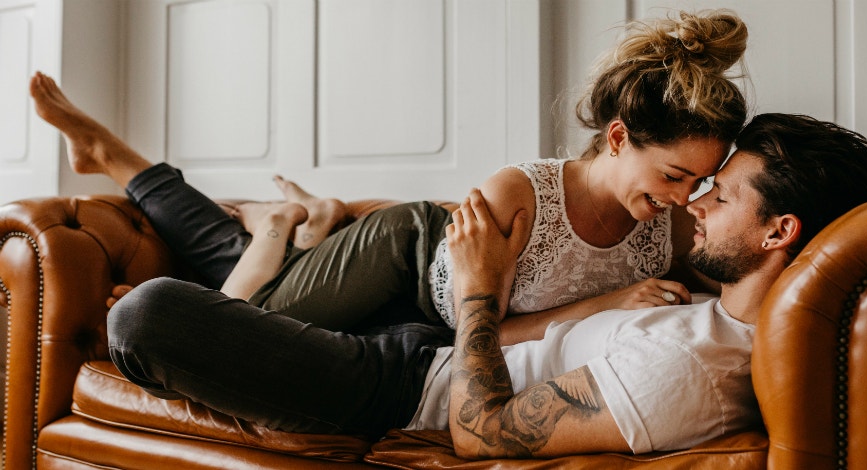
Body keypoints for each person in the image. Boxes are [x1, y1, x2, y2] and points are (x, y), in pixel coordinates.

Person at [106, 113, 867, 457]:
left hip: (401, 387)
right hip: (424, 332)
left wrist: (481, 289)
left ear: (778, 233)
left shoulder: (689, 372)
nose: (696, 204)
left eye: (721, 196)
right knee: (224, 270)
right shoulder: (706, 307)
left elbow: (481, 433)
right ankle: (145, 176)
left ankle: (269, 224)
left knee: (148, 314)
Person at [30, 9, 750, 344]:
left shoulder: (674, 230)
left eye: (699, 182)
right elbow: (486, 336)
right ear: (618, 137)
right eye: (672, 175)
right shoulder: (521, 195)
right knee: (251, 325)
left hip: (409, 313)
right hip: (399, 250)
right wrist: (612, 301)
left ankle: (138, 168)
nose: (683, 199)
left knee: (230, 259)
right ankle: (273, 217)